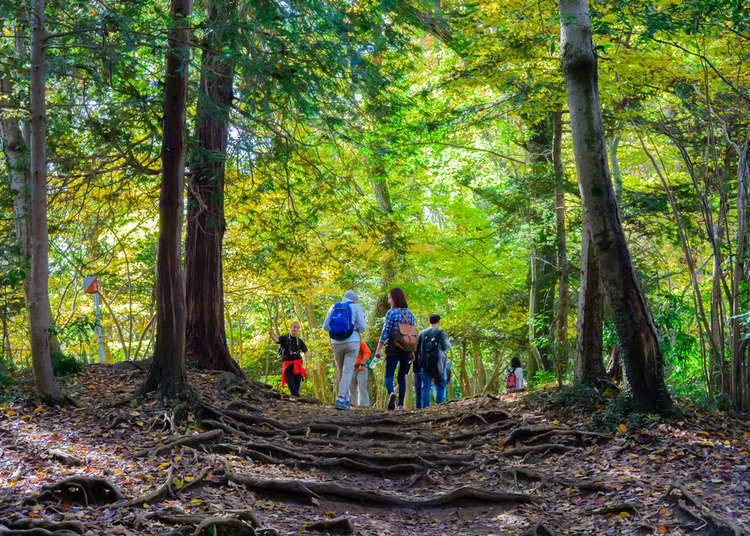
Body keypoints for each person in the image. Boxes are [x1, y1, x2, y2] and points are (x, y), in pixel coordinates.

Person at [323, 290, 367, 410]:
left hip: (336, 343)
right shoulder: (356, 306)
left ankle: (347, 399)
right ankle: (341, 398)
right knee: (348, 370)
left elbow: (325, 327)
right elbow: (363, 327)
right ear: (354, 299)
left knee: (341, 370)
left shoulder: (333, 306)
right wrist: (355, 326)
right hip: (352, 341)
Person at [374, 288, 417, 410]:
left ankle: (392, 393)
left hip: (393, 347)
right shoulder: (410, 314)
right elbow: (412, 334)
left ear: (395, 298)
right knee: (402, 376)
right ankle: (401, 406)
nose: (388, 301)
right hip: (406, 349)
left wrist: (378, 349)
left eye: (389, 298)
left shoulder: (391, 313)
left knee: (389, 375)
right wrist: (413, 351)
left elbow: (385, 331)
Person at [415, 314, 451, 408]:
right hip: (438, 364)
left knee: (425, 386)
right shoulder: (440, 333)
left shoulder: (421, 333)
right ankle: (439, 407)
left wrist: (417, 365)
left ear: (429, 322)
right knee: (440, 385)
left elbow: (417, 349)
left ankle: (425, 408)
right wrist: (447, 344)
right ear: (438, 322)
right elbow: (443, 347)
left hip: (424, 363)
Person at [269, 321, 308, 397]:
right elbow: (277, 340)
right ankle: (299, 400)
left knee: (297, 387)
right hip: (288, 366)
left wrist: (306, 360)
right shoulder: (284, 338)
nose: (295, 329)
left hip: (298, 366)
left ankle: (297, 402)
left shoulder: (299, 341)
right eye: (294, 327)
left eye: (297, 328)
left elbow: (305, 351)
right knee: (292, 387)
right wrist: (271, 334)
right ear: (290, 328)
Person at [350, 341, 375, 407]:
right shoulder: (346, 344)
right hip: (351, 369)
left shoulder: (360, 342)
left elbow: (368, 352)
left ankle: (365, 405)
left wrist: (363, 363)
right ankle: (353, 405)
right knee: (351, 388)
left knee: (362, 387)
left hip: (362, 368)